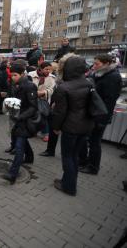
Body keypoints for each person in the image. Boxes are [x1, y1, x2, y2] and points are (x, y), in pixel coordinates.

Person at [52, 55, 94, 196]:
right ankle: (68, 180)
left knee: (68, 157)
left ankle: (69, 187)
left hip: (71, 128)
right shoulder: (89, 83)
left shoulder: (63, 88)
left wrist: (56, 127)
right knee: (75, 156)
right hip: (86, 126)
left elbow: (60, 112)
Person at [79, 54, 122, 175]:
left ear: (107, 64)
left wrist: (101, 119)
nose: (94, 66)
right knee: (89, 140)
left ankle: (93, 167)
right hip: (93, 113)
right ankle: (86, 162)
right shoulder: (99, 74)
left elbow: (110, 100)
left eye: (97, 64)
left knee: (95, 142)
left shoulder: (112, 77)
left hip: (100, 116)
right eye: (94, 63)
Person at [1, 64, 38, 184]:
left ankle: (13, 173)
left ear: (22, 74)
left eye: (15, 75)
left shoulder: (29, 86)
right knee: (20, 138)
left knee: (19, 145)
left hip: (24, 119)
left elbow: (33, 107)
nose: (12, 78)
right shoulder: (14, 84)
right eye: (11, 75)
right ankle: (30, 157)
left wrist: (20, 116)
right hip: (16, 117)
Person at [39, 53, 74, 157]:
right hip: (56, 107)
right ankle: (50, 150)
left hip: (66, 111)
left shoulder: (70, 79)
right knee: (53, 129)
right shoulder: (61, 77)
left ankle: (69, 156)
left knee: (63, 133)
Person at [28, 62, 56, 142]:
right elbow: (27, 85)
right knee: (33, 115)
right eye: (46, 69)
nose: (48, 71)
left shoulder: (51, 77)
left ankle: (46, 133)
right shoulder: (30, 75)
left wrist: (43, 92)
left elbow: (52, 89)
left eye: (50, 69)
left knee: (43, 115)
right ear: (40, 69)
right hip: (32, 99)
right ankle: (34, 131)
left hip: (44, 100)